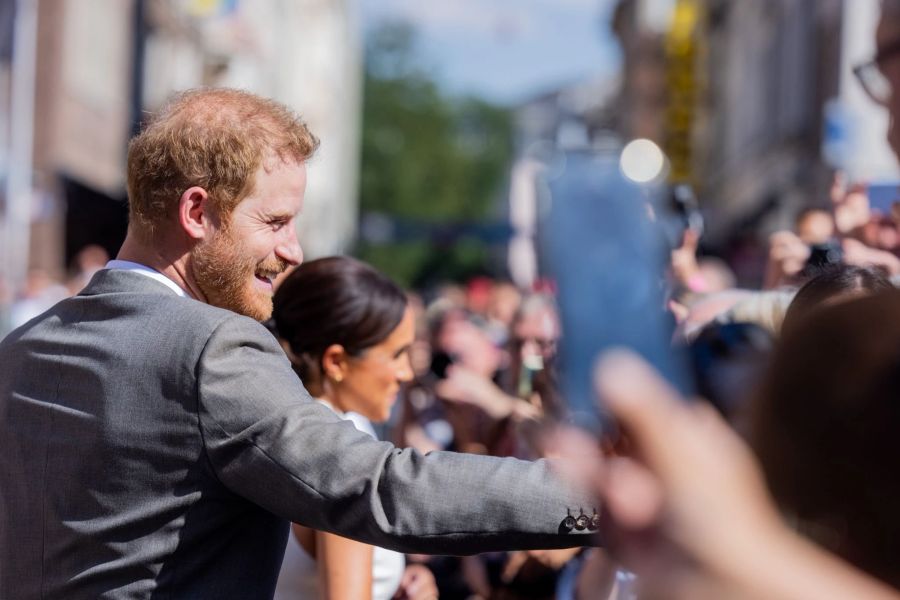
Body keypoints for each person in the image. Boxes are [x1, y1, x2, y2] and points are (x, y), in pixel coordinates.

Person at [0, 89, 594, 599]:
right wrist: (601, 497)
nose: (294, 250)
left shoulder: (24, 346)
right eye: (276, 222)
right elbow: (382, 490)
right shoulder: (214, 346)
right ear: (197, 212)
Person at [270, 256, 436, 600]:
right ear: (337, 362)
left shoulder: (295, 419)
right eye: (396, 355)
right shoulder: (338, 454)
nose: (407, 372)